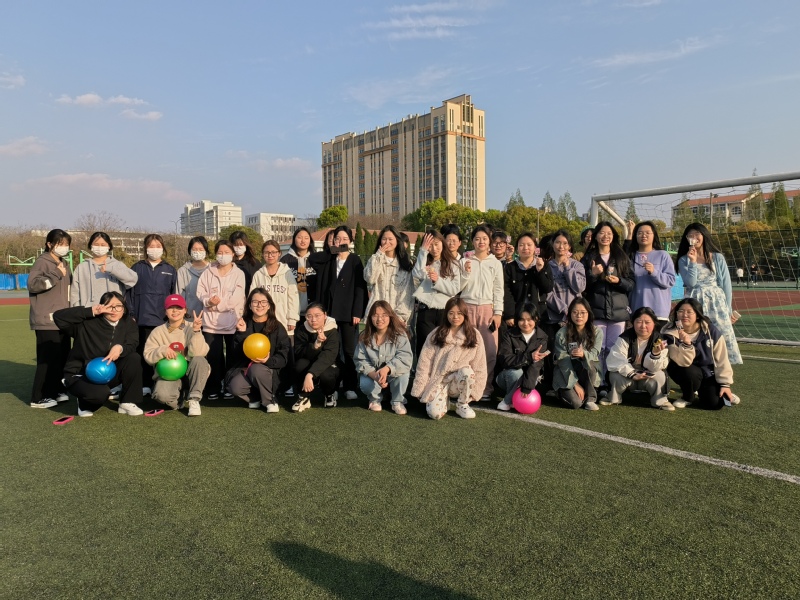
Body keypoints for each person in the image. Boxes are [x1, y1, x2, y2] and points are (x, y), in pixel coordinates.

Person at [54, 291, 144, 416]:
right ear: (101, 307)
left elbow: (132, 343)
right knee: (100, 395)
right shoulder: (86, 323)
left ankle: (127, 402)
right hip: (82, 374)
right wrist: (90, 311)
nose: (114, 310)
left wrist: (120, 348)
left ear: (123, 308)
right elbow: (58, 317)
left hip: (108, 372)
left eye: (118, 306)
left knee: (133, 358)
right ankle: (83, 403)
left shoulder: (129, 323)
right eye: (109, 306)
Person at [411, 297, 487, 420]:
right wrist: (420, 388)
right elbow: (424, 363)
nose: (455, 317)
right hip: (439, 380)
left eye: (459, 313)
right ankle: (443, 399)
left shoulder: (474, 335)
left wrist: (476, 391)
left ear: (465, 314)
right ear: (446, 314)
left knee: (467, 373)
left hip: (459, 380)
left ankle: (462, 404)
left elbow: (480, 366)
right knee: (434, 414)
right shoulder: (436, 334)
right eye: (451, 313)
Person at [676, 223, 742, 365]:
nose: (694, 237)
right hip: (695, 304)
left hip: (716, 302)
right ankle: (698, 367)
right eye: (690, 235)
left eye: (697, 234)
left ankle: (723, 371)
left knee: (720, 335)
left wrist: (728, 309)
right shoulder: (683, 259)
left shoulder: (717, 257)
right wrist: (692, 262)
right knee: (697, 335)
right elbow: (691, 283)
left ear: (704, 235)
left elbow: (726, 285)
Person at [314, 225, 367, 400]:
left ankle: (350, 385)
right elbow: (313, 260)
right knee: (332, 350)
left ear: (351, 241)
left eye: (345, 239)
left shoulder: (355, 260)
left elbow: (360, 288)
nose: (341, 242)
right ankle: (334, 386)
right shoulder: (330, 259)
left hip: (349, 314)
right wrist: (332, 251)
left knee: (349, 351)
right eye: (338, 239)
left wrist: (357, 311)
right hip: (330, 313)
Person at [580, 222, 635, 385]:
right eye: (602, 233)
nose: (605, 236)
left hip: (618, 312)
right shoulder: (588, 258)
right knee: (598, 348)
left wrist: (619, 281)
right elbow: (581, 285)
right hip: (596, 311)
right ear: (596, 236)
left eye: (609, 233)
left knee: (613, 348)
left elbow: (631, 283)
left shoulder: (621, 257)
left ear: (613, 236)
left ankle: (611, 382)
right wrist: (593, 274)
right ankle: (598, 383)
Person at [661, 298, 739, 410]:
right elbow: (683, 362)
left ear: (697, 315)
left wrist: (725, 384)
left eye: (689, 312)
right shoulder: (669, 333)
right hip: (684, 369)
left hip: (707, 371)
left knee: (714, 404)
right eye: (681, 311)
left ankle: (722, 392)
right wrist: (686, 344)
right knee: (689, 372)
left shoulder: (711, 331)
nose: (684, 315)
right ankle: (687, 397)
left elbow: (722, 359)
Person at [143, 294, 211, 416]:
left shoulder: (192, 327)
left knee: (200, 360)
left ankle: (194, 399)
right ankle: (179, 400)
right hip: (169, 375)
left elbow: (199, 353)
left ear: (185, 310)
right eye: (171, 308)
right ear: (165, 311)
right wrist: (163, 350)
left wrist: (196, 331)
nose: (175, 311)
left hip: (190, 373)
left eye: (179, 308)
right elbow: (148, 355)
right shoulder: (158, 331)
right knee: (162, 396)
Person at [27, 229, 73, 408]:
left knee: (62, 357)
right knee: (47, 360)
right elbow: (33, 285)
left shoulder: (64, 263)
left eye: (66, 244)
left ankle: (56, 391)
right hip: (46, 320)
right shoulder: (42, 262)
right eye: (60, 244)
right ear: (49, 244)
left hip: (62, 319)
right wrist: (55, 274)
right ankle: (38, 397)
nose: (64, 247)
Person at [127, 234, 178, 394]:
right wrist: (131, 313)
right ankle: (145, 384)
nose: (154, 249)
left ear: (163, 248)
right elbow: (129, 294)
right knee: (144, 353)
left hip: (162, 321)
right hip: (142, 319)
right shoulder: (137, 268)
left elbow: (173, 295)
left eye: (158, 246)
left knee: (163, 353)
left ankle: (161, 383)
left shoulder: (170, 270)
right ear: (145, 248)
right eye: (151, 246)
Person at [226, 288, 291, 412]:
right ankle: (255, 398)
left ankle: (270, 401)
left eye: (263, 302)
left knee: (256, 368)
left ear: (269, 306)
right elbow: (236, 354)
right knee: (235, 387)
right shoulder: (244, 324)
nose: (259, 305)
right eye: (255, 302)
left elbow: (284, 355)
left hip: (270, 370)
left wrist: (268, 361)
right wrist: (241, 333)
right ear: (250, 305)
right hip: (249, 370)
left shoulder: (277, 327)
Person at [197, 240, 246, 400]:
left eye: (227, 252)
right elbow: (200, 292)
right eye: (220, 252)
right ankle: (213, 387)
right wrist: (208, 302)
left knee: (232, 356)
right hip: (211, 323)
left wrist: (215, 306)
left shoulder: (239, 274)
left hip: (233, 321)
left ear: (233, 254)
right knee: (213, 356)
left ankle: (229, 386)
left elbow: (236, 299)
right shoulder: (207, 272)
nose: (223, 255)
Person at [459, 225, 504, 400]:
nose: (481, 242)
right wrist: (466, 272)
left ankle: (485, 387)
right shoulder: (465, 261)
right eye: (477, 239)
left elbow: (498, 289)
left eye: (484, 239)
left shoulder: (495, 263)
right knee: (466, 348)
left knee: (489, 350)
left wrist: (498, 312)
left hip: (487, 310)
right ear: (472, 241)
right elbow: (459, 287)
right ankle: (465, 386)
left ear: (489, 241)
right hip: (467, 307)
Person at [604, 307, 672, 411]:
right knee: (615, 374)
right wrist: (632, 374)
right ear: (633, 323)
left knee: (660, 375)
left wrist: (655, 354)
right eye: (639, 322)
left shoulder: (660, 340)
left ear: (654, 323)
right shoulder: (624, 337)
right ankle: (612, 397)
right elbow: (615, 359)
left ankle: (660, 401)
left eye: (647, 322)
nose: (643, 326)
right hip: (628, 376)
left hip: (648, 375)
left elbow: (659, 366)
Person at [354, 301, 414, 414]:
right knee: (365, 383)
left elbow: (405, 357)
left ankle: (397, 401)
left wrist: (387, 369)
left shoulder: (400, 335)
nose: (379, 319)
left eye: (384, 315)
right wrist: (375, 376)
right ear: (370, 318)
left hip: (393, 373)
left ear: (390, 316)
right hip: (374, 374)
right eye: (375, 315)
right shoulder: (364, 336)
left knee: (403, 374)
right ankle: (375, 399)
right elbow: (360, 360)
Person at [411, 230, 463, 357]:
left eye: (436, 244)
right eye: (430, 245)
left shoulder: (453, 264)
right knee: (425, 348)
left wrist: (437, 281)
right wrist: (423, 251)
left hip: (444, 311)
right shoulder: (424, 261)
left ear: (442, 242)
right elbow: (417, 274)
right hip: (425, 311)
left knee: (443, 348)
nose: (434, 248)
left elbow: (454, 289)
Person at [495, 302, 549, 412]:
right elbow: (506, 360)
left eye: (529, 319)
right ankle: (511, 399)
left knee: (532, 377)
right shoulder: (509, 335)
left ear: (536, 319)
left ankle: (508, 400)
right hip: (507, 376)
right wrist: (529, 357)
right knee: (516, 373)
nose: (525, 323)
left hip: (530, 377)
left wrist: (527, 387)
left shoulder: (542, 337)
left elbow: (537, 365)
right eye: (522, 320)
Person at [553, 297, 603, 411]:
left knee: (591, 362)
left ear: (588, 314)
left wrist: (583, 354)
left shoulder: (597, 332)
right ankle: (559, 392)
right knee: (576, 404)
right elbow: (562, 360)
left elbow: (595, 353)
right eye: (575, 312)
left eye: (583, 312)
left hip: (585, 372)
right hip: (566, 373)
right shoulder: (561, 333)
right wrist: (575, 384)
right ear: (570, 314)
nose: (579, 316)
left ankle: (590, 399)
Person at [292, 303, 341, 411]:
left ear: (325, 315)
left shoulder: (332, 331)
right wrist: (316, 344)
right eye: (309, 316)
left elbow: (329, 356)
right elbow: (299, 352)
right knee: (299, 365)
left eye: (317, 315)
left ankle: (329, 394)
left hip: (328, 363)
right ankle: (304, 396)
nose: (313, 319)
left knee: (326, 374)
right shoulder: (302, 329)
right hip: (309, 361)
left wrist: (310, 374)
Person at [70, 231, 138, 307]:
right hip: (89, 311)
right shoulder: (82, 267)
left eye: (103, 245)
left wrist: (112, 269)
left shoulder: (117, 264)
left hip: (113, 310)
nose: (99, 247)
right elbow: (75, 293)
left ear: (109, 246)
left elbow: (133, 279)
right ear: (91, 246)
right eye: (96, 244)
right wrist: (77, 310)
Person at [364, 225, 415, 323]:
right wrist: (379, 255)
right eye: (384, 239)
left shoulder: (405, 264)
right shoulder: (375, 259)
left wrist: (401, 317)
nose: (387, 242)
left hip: (396, 317)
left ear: (397, 241)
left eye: (390, 239)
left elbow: (407, 293)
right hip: (376, 317)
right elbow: (370, 278)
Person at [627, 221, 676, 323]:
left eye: (647, 233)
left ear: (654, 235)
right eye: (640, 233)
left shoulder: (662, 255)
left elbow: (670, 280)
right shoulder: (630, 256)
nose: (643, 235)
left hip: (658, 312)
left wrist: (654, 272)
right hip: (637, 311)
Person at [503, 232, 553, 329]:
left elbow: (548, 288)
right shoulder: (510, 268)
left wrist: (540, 271)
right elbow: (506, 292)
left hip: (538, 315)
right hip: (517, 316)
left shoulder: (544, 264)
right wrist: (510, 315)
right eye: (521, 245)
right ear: (517, 248)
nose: (525, 248)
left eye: (529, 245)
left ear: (535, 248)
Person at [280, 227, 316, 325]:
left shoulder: (316, 259)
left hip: (312, 310)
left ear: (310, 240)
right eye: (299, 237)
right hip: (291, 310)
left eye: (306, 238)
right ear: (294, 239)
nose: (303, 240)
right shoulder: (285, 261)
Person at [176, 236, 210, 317]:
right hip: (189, 317)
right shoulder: (183, 271)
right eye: (194, 249)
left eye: (201, 249)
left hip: (210, 318)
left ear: (206, 251)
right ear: (190, 251)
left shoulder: (212, 270)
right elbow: (179, 295)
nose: (198, 252)